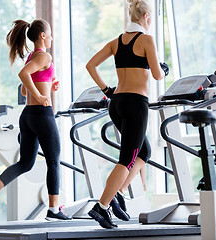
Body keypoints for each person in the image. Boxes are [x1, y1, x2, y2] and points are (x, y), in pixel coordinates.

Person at [86, 0, 169, 229]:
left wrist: (106, 90)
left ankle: (118, 192)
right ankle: (102, 206)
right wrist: (164, 68)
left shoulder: (116, 42)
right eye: (150, 18)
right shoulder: (146, 40)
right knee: (127, 159)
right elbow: (157, 75)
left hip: (117, 102)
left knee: (144, 151)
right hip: (135, 104)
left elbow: (90, 65)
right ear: (146, 18)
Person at [0, 19, 71, 221]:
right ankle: (54, 210)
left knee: (26, 162)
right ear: (43, 36)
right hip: (41, 114)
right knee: (54, 160)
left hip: (27, 115)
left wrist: (47, 88)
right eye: (51, 34)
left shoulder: (32, 57)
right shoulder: (45, 56)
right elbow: (23, 75)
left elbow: (23, 87)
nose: (52, 37)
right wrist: (40, 96)